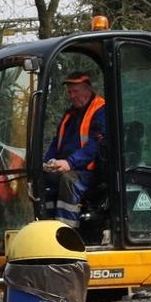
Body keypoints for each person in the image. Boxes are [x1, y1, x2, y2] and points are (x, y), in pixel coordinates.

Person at [42, 71, 106, 228]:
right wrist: (47, 162)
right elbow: (57, 142)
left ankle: (66, 233)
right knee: (43, 177)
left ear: (87, 90)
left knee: (68, 180)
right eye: (69, 92)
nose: (71, 96)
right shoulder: (70, 114)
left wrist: (69, 163)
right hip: (70, 167)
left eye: (75, 91)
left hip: (92, 171)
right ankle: (47, 227)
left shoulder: (101, 111)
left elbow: (95, 145)